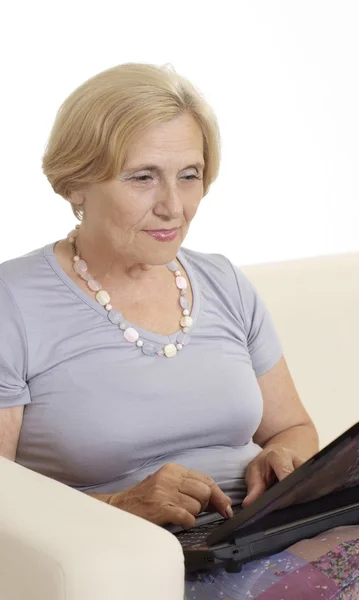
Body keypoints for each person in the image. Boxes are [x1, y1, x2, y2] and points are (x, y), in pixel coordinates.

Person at [0, 63, 321, 592]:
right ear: (77, 181)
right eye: (142, 176)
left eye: (189, 175)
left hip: (266, 534)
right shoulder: (14, 301)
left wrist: (286, 458)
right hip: (143, 563)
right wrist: (119, 506)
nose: (174, 206)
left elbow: (294, 429)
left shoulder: (222, 281)